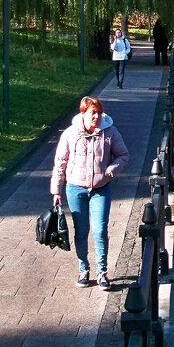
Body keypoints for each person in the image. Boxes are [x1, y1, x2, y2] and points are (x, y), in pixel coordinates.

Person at [51, 96, 129, 290]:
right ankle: (83, 269)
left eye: (99, 113)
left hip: (100, 189)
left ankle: (102, 272)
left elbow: (123, 155)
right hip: (75, 189)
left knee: (100, 230)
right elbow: (60, 163)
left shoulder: (110, 133)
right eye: (92, 112)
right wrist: (56, 191)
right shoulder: (70, 134)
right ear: (83, 113)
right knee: (81, 231)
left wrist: (112, 169)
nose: (96, 116)